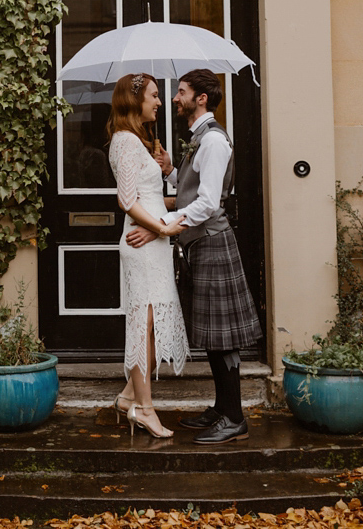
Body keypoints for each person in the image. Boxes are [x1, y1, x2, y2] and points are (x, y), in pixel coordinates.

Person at [126, 69, 263, 445]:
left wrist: (160, 224)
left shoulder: (214, 141)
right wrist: (171, 171)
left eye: (181, 92)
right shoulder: (199, 140)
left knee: (223, 337)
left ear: (201, 98)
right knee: (213, 335)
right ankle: (222, 409)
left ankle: (235, 418)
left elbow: (207, 202)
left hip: (213, 243)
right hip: (199, 244)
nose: (174, 98)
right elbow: (192, 189)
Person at [106, 72, 190, 438]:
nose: (160, 102)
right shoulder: (124, 142)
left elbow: (151, 199)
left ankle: (127, 398)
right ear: (133, 100)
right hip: (143, 245)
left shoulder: (140, 143)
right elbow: (126, 200)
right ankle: (145, 408)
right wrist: (162, 227)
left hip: (155, 242)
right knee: (144, 326)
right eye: (154, 96)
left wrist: (167, 173)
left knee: (152, 326)